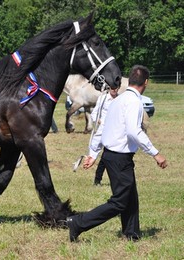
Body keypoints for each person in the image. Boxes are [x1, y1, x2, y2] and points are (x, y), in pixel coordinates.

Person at [66, 65, 167, 242]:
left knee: (130, 197)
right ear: (146, 82)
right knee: (119, 202)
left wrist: (93, 154)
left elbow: (103, 128)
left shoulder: (118, 100)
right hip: (120, 158)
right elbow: (134, 132)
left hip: (111, 156)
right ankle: (78, 223)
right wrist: (155, 153)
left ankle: (131, 234)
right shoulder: (134, 101)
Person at [89, 87, 120, 185]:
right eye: (112, 87)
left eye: (116, 87)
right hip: (104, 130)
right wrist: (99, 121)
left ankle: (99, 180)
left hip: (115, 131)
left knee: (109, 155)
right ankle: (98, 179)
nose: (114, 90)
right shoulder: (103, 98)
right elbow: (95, 113)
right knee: (106, 156)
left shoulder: (120, 99)